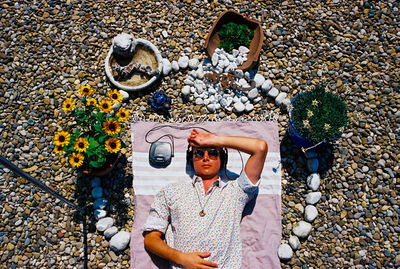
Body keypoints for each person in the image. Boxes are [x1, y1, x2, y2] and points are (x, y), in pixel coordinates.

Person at [143, 129, 268, 269]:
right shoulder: (170, 191)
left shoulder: (236, 191)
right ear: (191, 159)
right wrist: (181, 258)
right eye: (199, 153)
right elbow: (150, 239)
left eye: (213, 153)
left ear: (223, 159)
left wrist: (215, 140)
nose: (206, 158)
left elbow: (260, 148)